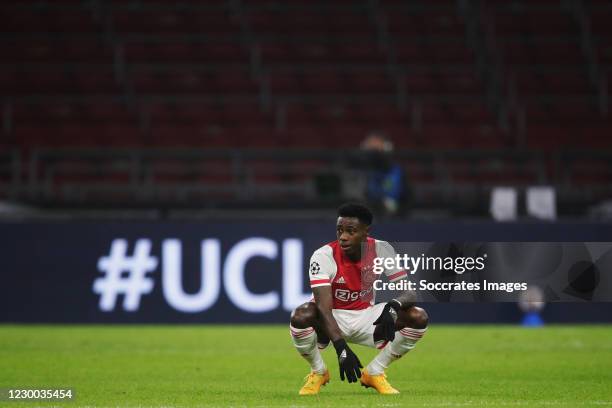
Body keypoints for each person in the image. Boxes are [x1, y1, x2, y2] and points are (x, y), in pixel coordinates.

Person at [289, 203, 428, 395]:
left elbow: (409, 293)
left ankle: (375, 372)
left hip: (366, 316)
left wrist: (393, 306)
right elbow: (322, 307)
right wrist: (341, 348)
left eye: (350, 231)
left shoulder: (381, 250)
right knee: (301, 315)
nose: (343, 236)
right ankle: (319, 371)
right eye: (339, 230)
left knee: (418, 317)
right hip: (331, 318)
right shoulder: (323, 256)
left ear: (365, 232)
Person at [360, 133, 409, 216]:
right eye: (371, 144)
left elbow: (392, 187)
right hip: (372, 200)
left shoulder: (393, 168)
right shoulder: (367, 164)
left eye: (376, 143)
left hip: (392, 202)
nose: (373, 147)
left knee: (389, 203)